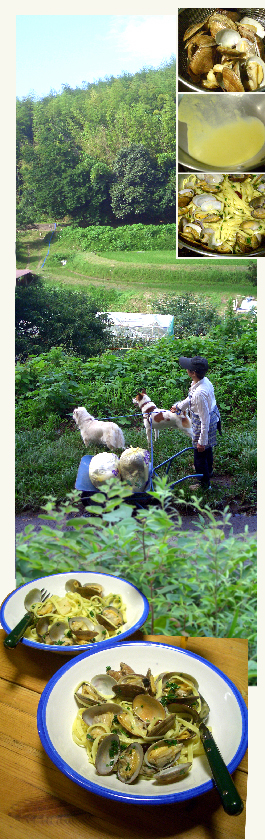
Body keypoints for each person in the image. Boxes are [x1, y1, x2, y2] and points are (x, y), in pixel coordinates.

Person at [171, 355, 221, 490]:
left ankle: (204, 484)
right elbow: (190, 398)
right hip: (211, 419)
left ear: (193, 373)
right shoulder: (202, 382)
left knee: (199, 454)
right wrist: (179, 406)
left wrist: (201, 441)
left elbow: (205, 419)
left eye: (188, 368)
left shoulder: (200, 393)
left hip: (205, 423)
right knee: (207, 450)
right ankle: (208, 470)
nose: (186, 368)